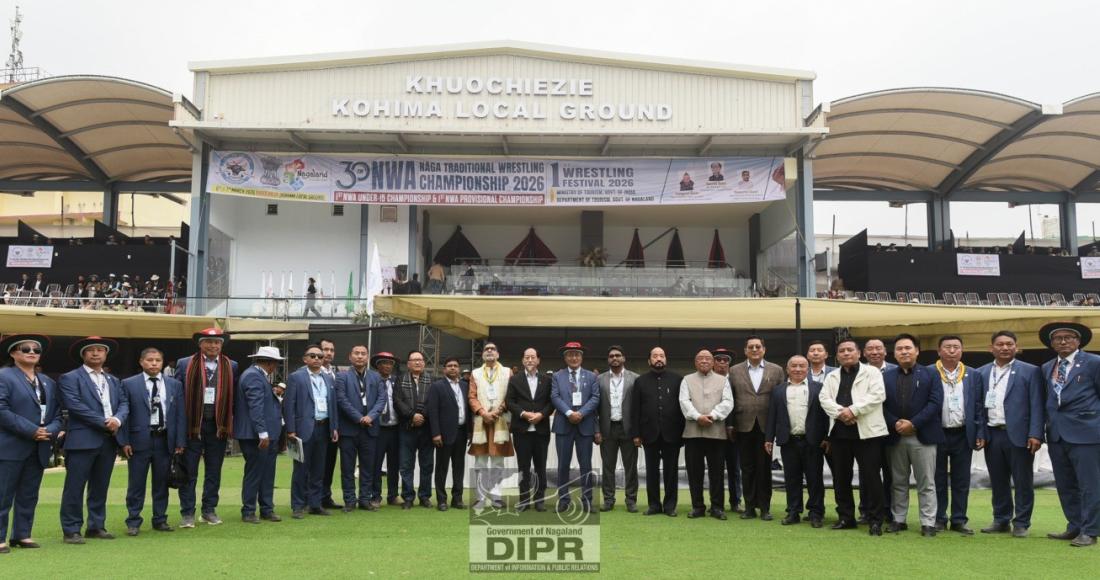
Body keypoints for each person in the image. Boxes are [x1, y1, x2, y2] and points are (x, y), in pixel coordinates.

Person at [58, 336, 129, 544]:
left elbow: (124, 403)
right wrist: (104, 422)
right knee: (75, 487)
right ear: (83, 355)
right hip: (82, 439)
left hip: (108, 440)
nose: (96, 353)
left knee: (100, 486)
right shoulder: (70, 378)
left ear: (106, 354)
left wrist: (117, 419)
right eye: (91, 350)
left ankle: (96, 526)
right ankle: (71, 529)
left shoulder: (113, 380)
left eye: (100, 350)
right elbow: (74, 405)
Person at [1038, 322, 1100, 547]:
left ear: (1078, 341)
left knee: (1089, 484)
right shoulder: (1047, 367)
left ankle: (1090, 530)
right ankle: (1075, 525)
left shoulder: (1094, 362)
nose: (1063, 341)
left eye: (1069, 337)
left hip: (1087, 433)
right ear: (1052, 343)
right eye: (1058, 338)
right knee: (1065, 484)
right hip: (1056, 434)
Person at [977, 330, 1043, 538]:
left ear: (1016, 347)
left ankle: (1022, 522)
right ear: (991, 348)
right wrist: (980, 432)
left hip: (1020, 435)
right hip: (992, 434)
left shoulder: (1030, 371)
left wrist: (1036, 433)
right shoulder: (981, 372)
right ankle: (1001, 519)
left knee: (1023, 481)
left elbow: (1037, 404)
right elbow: (978, 407)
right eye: (1000, 344)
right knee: (998, 480)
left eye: (1009, 344)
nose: (1005, 348)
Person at [819, 338, 888, 536]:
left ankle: (875, 520)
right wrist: (842, 413)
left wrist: (853, 410)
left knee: (871, 477)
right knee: (841, 477)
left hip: (868, 433)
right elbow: (824, 398)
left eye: (850, 350)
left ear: (859, 353)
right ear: (837, 356)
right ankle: (846, 517)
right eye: (842, 351)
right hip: (840, 433)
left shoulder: (872, 372)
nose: (846, 353)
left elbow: (877, 395)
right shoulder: (832, 376)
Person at [0, 334, 61, 552]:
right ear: (13, 353)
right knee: (3, 494)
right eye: (26, 349)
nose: (32, 352)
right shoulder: (4, 376)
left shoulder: (47, 382)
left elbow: (58, 414)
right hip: (11, 445)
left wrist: (49, 431)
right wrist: (31, 430)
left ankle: (22, 534)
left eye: (36, 350)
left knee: (29, 493)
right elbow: (1, 410)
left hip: (40, 445)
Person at [174, 328, 237, 527]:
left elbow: (233, 397)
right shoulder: (184, 363)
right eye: (208, 342)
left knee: (214, 471)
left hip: (218, 426)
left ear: (222, 345)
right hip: (192, 426)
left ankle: (209, 510)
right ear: (200, 344)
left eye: (217, 342)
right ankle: (187, 513)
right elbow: (177, 396)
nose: (213, 346)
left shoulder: (231, 365)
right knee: (189, 471)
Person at [120, 348, 186, 535]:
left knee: (162, 483)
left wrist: (180, 441)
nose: (154, 363)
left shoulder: (174, 384)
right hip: (138, 440)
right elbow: (124, 414)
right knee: (136, 483)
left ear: (163, 362)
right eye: (150, 360)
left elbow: (180, 414)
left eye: (158, 360)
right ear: (141, 362)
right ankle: (133, 521)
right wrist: (124, 441)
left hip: (164, 440)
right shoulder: (128, 384)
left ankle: (160, 519)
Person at [882, 334, 943, 536]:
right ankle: (899, 519)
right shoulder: (886, 376)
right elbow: (880, 404)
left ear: (917, 351)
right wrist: (895, 423)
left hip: (922, 436)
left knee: (926, 482)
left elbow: (935, 403)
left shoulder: (931, 374)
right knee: (898, 481)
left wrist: (914, 424)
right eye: (899, 349)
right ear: (894, 353)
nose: (904, 352)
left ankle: (928, 522)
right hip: (895, 435)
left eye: (908, 348)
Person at [764, 355, 828, 527]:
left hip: (813, 441)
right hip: (789, 441)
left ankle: (816, 513)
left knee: (815, 478)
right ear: (787, 369)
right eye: (794, 366)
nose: (798, 369)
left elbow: (825, 415)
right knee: (792, 478)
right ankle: (793, 511)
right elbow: (772, 415)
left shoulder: (819, 388)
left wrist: (826, 438)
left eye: (802, 366)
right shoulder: (778, 390)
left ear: (808, 369)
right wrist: (769, 438)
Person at [931, 335, 986, 535]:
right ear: (939, 351)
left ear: (962, 350)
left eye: (956, 347)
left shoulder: (973, 374)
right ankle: (938, 518)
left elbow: (979, 406)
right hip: (937, 433)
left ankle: (959, 519)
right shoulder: (929, 372)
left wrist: (980, 431)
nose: (952, 350)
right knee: (937, 478)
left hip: (963, 433)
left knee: (961, 479)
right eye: (947, 347)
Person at [728, 336, 785, 520]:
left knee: (764, 468)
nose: (754, 349)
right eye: (751, 347)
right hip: (743, 425)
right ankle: (749, 507)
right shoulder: (734, 371)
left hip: (766, 426)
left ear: (764, 350)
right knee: (747, 468)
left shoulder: (776, 370)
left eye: (758, 347)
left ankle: (765, 508)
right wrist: (730, 424)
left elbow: (781, 399)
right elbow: (730, 399)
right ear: (745, 351)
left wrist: (778, 426)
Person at [284, 345, 339, 518]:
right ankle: (298, 506)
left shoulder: (328, 378)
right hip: (303, 429)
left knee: (319, 469)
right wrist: (290, 430)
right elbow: (288, 405)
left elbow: (332, 405)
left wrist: (334, 427)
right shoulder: (296, 377)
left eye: (320, 356)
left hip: (324, 427)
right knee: (301, 469)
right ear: (305, 359)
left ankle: (315, 504)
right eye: (312, 356)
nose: (317, 359)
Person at [680, 350, 735, 520]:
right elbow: (684, 401)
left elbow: (728, 402)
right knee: (694, 472)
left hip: (716, 433)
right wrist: (698, 417)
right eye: (700, 358)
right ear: (695, 362)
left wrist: (713, 415)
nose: (704, 361)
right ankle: (697, 507)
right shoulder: (687, 379)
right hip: (693, 433)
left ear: (713, 363)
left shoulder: (723, 380)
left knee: (717, 472)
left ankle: (717, 507)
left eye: (707, 359)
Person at [234, 346, 285, 523]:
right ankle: (249, 511)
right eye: (276, 363)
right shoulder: (253, 376)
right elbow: (255, 406)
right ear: (271, 363)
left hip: (264, 433)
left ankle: (266, 509)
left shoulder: (256, 375)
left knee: (266, 473)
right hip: (256, 435)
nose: (276, 367)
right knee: (255, 473)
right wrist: (262, 433)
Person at [631, 347, 684, 516]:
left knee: (671, 472)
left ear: (666, 359)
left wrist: (683, 433)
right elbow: (635, 410)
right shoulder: (640, 381)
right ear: (649, 361)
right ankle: (654, 505)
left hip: (672, 433)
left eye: (662, 356)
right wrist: (636, 434)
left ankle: (670, 506)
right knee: (651, 472)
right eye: (655, 356)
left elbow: (683, 407)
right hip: (649, 433)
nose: (658, 359)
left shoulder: (678, 380)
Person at [334, 344, 385, 512]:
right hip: (349, 429)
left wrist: (370, 416)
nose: (360, 356)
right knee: (347, 468)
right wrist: (359, 418)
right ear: (350, 357)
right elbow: (341, 400)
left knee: (368, 467)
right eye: (356, 353)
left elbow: (381, 400)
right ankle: (349, 500)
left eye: (363, 353)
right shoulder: (341, 377)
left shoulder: (376, 377)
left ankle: (365, 499)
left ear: (367, 357)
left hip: (370, 429)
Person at [551, 341, 600, 512]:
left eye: (577, 354)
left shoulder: (591, 376)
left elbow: (595, 397)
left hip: (584, 426)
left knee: (586, 465)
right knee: (563, 465)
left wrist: (581, 413)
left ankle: (587, 500)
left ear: (581, 357)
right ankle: (563, 500)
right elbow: (555, 397)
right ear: (565, 358)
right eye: (570, 355)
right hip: (563, 425)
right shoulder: (557, 376)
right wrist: (569, 413)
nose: (574, 358)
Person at [506, 348, 553, 511]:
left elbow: (551, 402)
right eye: (527, 357)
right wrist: (524, 413)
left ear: (538, 360)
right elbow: (509, 402)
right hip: (522, 430)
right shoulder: (515, 380)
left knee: (540, 467)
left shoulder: (547, 380)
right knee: (523, 467)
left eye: (533, 357)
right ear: (522, 360)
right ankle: (524, 500)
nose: (530, 360)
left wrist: (541, 414)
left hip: (541, 431)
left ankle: (540, 500)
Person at [467, 343, 513, 510]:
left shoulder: (507, 372)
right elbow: (471, 397)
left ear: (498, 354)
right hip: (481, 422)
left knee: (498, 462)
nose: (489, 351)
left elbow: (511, 395)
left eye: (493, 349)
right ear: (482, 355)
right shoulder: (475, 373)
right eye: (486, 349)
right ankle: (480, 497)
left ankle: (496, 497)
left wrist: (498, 410)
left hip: (500, 421)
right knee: (480, 462)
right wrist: (483, 412)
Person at [596, 345, 640, 512]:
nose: (615, 358)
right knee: (608, 467)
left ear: (624, 358)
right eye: (611, 356)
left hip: (628, 429)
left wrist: (638, 432)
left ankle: (631, 500)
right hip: (607, 429)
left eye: (618, 355)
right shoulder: (599, 379)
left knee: (631, 467)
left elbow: (639, 408)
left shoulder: (635, 378)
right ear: (608, 360)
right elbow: (594, 408)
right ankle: (608, 500)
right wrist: (596, 430)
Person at [858, 337, 894, 523]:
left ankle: (888, 510)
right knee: (867, 472)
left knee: (890, 473)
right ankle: (866, 510)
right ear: (864, 353)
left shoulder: (895, 371)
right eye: (870, 349)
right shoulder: (859, 372)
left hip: (892, 428)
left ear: (885, 351)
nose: (874, 352)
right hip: (866, 429)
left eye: (878, 348)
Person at [427, 357, 469, 511]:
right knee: (442, 468)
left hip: (462, 432)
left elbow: (469, 410)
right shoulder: (437, 386)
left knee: (459, 467)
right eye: (449, 366)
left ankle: (457, 499)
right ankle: (441, 500)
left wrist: (470, 432)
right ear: (444, 369)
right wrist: (436, 433)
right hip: (443, 435)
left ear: (459, 369)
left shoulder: (465, 386)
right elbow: (433, 411)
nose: (453, 368)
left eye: (455, 366)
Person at [394, 350, 434, 509]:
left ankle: (425, 497)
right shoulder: (400, 379)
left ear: (424, 363)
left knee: (427, 465)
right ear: (408, 364)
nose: (417, 362)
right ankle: (408, 497)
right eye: (414, 360)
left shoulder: (432, 380)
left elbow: (433, 401)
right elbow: (397, 401)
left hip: (427, 429)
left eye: (420, 360)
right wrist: (412, 416)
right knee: (406, 465)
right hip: (406, 428)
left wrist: (422, 415)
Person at [712, 347, 743, 513]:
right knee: (715, 469)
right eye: (718, 359)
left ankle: (735, 501)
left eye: (726, 360)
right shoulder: (707, 381)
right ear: (713, 362)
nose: (722, 363)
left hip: (735, 434)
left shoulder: (736, 381)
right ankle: (716, 503)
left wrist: (734, 426)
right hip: (713, 430)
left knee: (734, 469)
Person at [370, 352, 402, 508]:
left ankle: (393, 495)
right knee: (376, 464)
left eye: (390, 364)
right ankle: (375, 496)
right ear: (378, 365)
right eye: (384, 363)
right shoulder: (371, 381)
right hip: (378, 428)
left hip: (395, 428)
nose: (388, 366)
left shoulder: (397, 381)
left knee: (394, 464)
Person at [317, 338, 341, 511]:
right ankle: (311, 498)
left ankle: (325, 497)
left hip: (333, 427)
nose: (329, 353)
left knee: (329, 463)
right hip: (315, 425)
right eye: (325, 349)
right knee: (314, 465)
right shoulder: (307, 373)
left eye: (332, 350)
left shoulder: (336, 373)